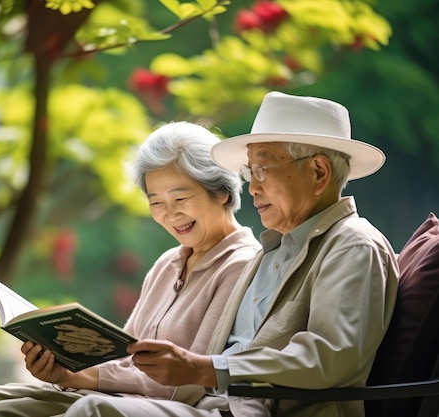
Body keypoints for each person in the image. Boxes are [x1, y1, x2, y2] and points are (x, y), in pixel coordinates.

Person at [59, 91, 400, 417]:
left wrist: (207, 368)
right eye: (249, 172)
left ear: (319, 172)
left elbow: (331, 357)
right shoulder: (272, 251)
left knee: (93, 411)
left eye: (262, 169)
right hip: (210, 406)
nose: (251, 186)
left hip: (252, 410)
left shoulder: (353, 245)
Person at [0, 121, 261, 417]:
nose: (171, 214)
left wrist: (83, 375)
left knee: (1, 414)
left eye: (180, 197)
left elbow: (186, 383)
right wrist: (64, 364)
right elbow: (125, 356)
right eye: (156, 203)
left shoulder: (242, 263)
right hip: (120, 397)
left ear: (221, 191)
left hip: (172, 405)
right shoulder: (168, 263)